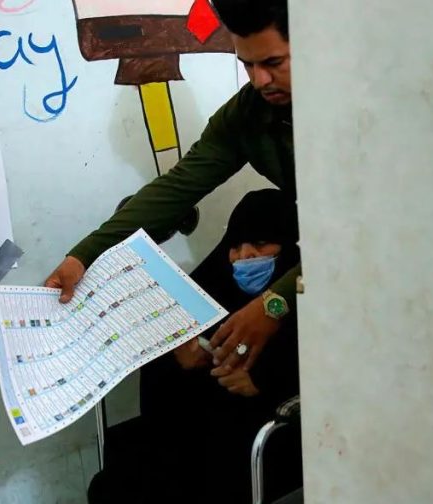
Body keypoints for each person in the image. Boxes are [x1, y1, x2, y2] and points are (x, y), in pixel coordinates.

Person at [45, 0, 298, 374]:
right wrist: (83, 256)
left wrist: (277, 301)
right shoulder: (248, 112)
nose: (259, 80)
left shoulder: (360, 113)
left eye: (273, 63)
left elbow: (363, 232)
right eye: (247, 65)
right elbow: (177, 188)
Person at [88, 189, 301, 503]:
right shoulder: (214, 286)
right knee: (112, 483)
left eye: (260, 243)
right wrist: (178, 357)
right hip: (193, 438)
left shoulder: (311, 302)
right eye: (235, 245)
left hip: (260, 448)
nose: (245, 256)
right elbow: (162, 399)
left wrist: (264, 380)